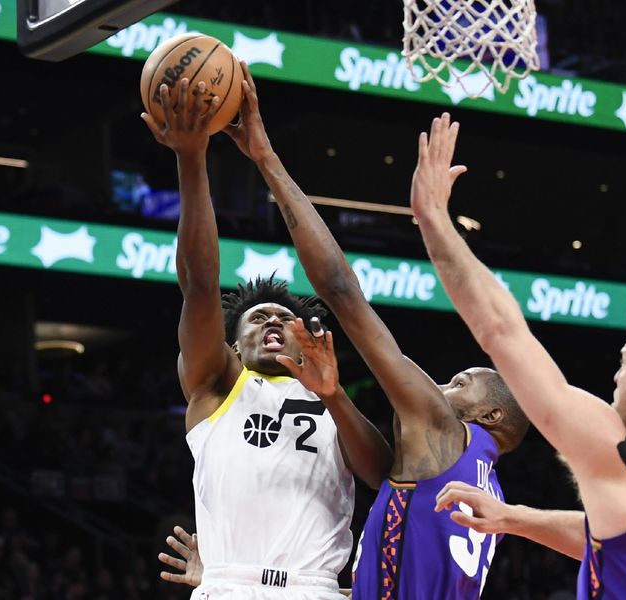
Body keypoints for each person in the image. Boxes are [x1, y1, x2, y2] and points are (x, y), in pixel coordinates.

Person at [219, 63, 530, 599]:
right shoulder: (485, 485)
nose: (441, 385)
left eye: (461, 382)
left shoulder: (440, 431)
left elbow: (341, 290)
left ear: (490, 415)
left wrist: (265, 158)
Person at [414, 113, 626, 598]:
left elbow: (501, 331)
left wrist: (434, 221)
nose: (614, 380)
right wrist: (514, 518)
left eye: (624, 363)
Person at [141, 79, 392, 599]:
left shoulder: (333, 402)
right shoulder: (216, 385)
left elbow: (380, 474)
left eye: (283, 317)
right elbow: (200, 283)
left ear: (306, 344)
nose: (271, 321)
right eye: (255, 320)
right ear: (232, 347)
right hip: (228, 585)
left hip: (317, 588)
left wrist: (333, 395)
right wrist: (193, 160)